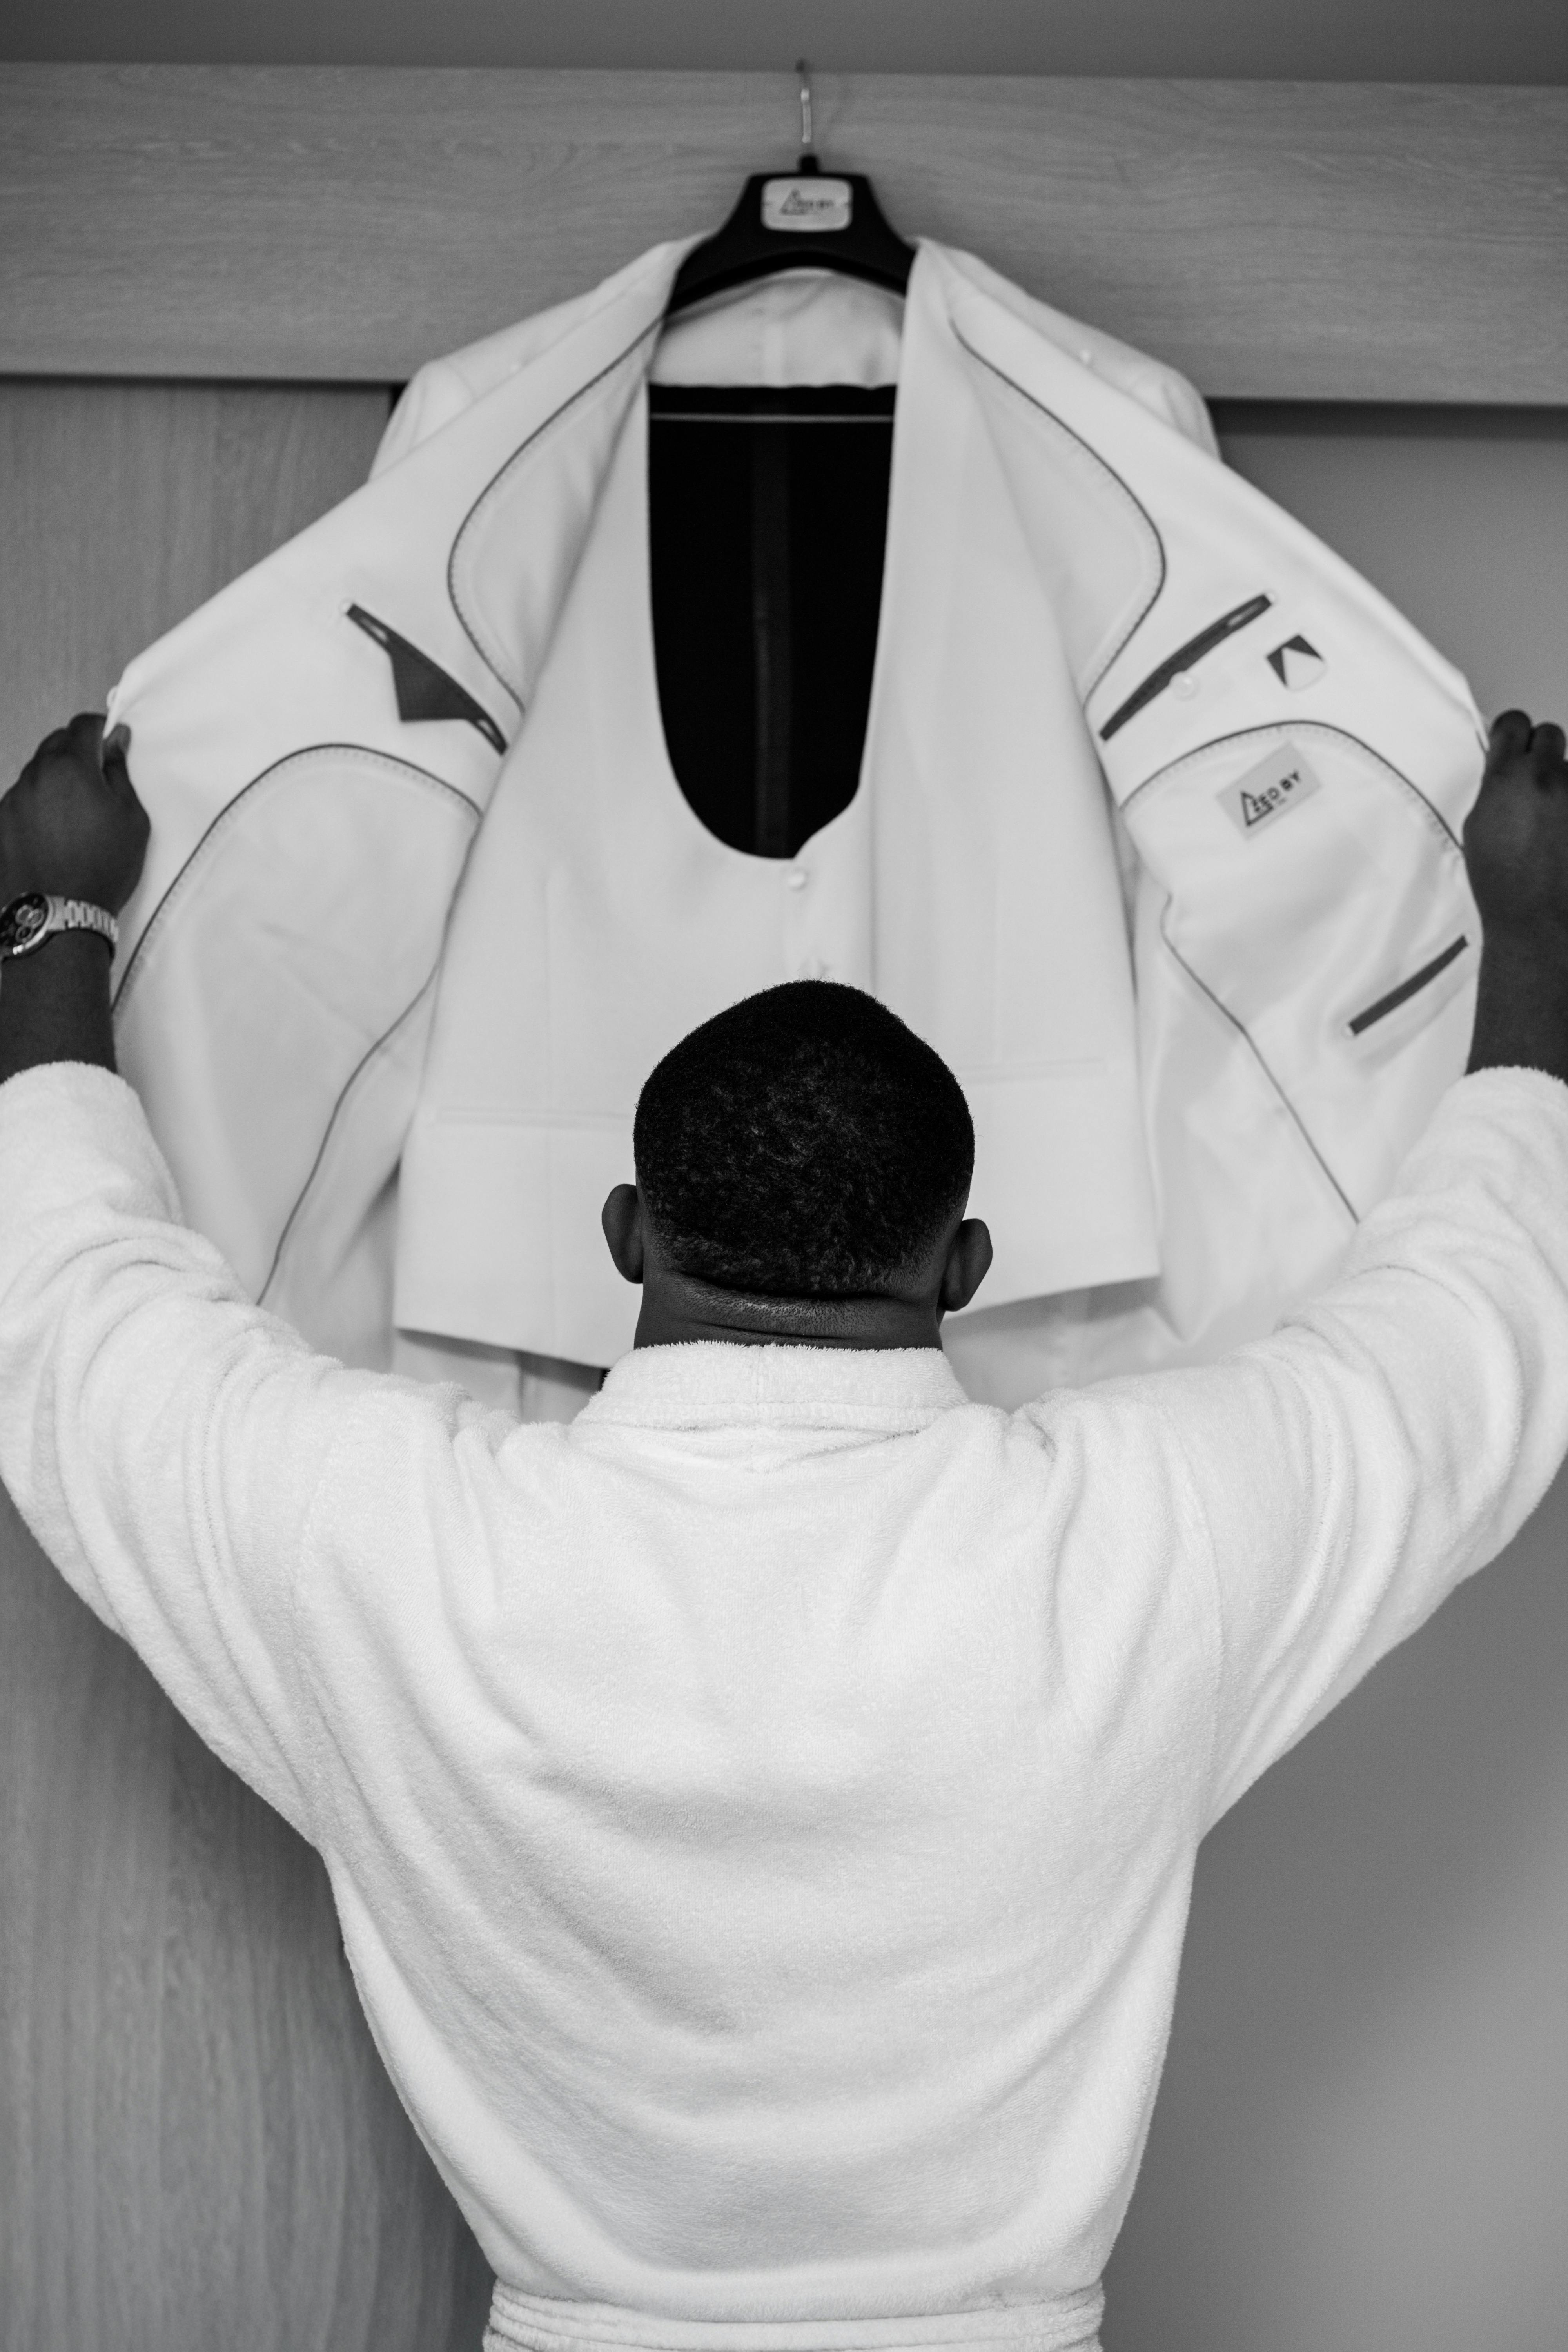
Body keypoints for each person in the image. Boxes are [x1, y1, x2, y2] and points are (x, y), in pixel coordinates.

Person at [1, 708, 1567, 2352]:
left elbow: (69, 1313)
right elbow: (1475, 1328)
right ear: (963, 1266)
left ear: (623, 1235)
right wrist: (1531, 935)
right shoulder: (1146, 1549)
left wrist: (61, 917)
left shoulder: (387, 1549)